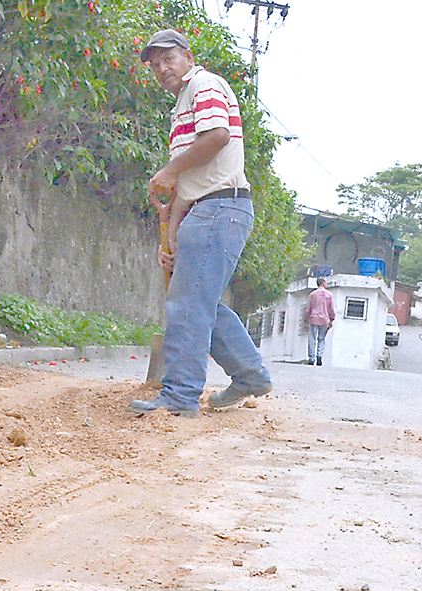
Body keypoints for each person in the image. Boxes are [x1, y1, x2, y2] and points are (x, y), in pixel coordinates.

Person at [129, 28, 272, 417]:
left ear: (188, 58)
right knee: (199, 300)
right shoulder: (182, 105)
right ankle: (249, 374)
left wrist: (170, 170)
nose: (162, 68)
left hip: (221, 208)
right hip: (207, 209)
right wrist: (170, 236)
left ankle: (179, 396)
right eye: (156, 64)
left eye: (168, 58)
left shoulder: (203, 85)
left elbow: (217, 137)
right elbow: (188, 182)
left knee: (188, 303)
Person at [305, 277, 335, 365]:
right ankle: (319, 356)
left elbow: (308, 309)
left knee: (312, 338)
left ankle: (311, 358)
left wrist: (305, 320)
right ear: (323, 283)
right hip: (324, 319)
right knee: (321, 339)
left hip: (313, 319)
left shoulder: (313, 294)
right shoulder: (329, 295)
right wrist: (331, 319)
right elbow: (331, 309)